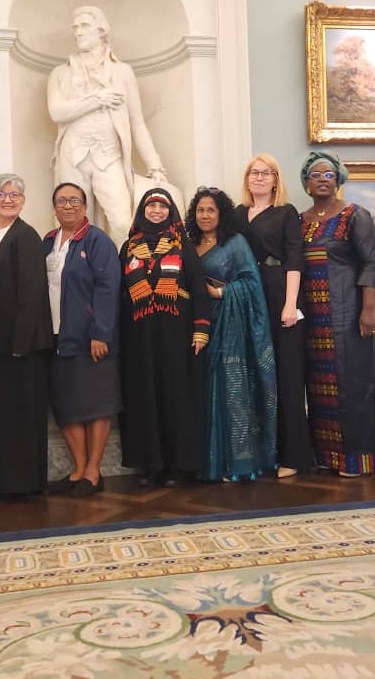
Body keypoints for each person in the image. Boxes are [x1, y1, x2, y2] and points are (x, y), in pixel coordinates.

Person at [48, 6, 166, 248]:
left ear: (101, 30)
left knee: (123, 222)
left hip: (108, 156)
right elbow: (56, 111)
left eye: (84, 26)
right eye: (75, 28)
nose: (77, 33)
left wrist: (155, 165)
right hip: (73, 154)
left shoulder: (122, 73)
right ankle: (73, 278)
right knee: (72, 225)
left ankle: (127, 280)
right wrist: (96, 99)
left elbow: (137, 122)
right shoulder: (61, 73)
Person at [300, 150, 375, 477]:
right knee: (319, 386)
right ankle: (325, 455)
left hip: (348, 314)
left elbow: (372, 261)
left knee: (351, 384)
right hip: (312, 319)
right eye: (315, 175)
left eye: (328, 174)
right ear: (306, 183)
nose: (322, 179)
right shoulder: (300, 221)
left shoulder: (354, 215)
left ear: (339, 180)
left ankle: (356, 459)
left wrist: (367, 309)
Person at [119, 187, 210, 485]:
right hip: (140, 336)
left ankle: (181, 466)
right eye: (151, 206)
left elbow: (198, 290)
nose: (156, 211)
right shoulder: (128, 247)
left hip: (177, 334)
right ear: (142, 211)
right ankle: (151, 464)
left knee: (177, 397)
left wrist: (200, 330)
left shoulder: (183, 246)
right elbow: (120, 294)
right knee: (145, 396)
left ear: (170, 212)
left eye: (162, 206)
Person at [186, 187, 277, 482]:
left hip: (230, 324)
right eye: (200, 210)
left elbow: (251, 283)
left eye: (211, 209)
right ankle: (208, 460)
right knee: (203, 392)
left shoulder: (235, 243)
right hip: (198, 325)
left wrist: (222, 291)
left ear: (221, 214)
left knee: (231, 392)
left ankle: (236, 463)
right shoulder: (190, 244)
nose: (205, 215)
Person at [234, 155, 313, 478]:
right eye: (255, 172)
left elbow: (295, 259)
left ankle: (292, 456)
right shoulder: (236, 215)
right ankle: (255, 456)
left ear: (276, 180)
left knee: (287, 377)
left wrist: (290, 304)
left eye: (267, 173)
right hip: (246, 296)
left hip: (280, 292)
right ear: (247, 178)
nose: (260, 177)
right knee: (252, 376)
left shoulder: (286, 213)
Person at [44, 182, 122, 497]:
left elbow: (108, 288)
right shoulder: (47, 242)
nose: (68, 205)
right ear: (54, 207)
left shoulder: (97, 241)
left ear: (85, 206)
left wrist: (100, 332)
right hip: (55, 337)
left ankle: (93, 471)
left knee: (95, 405)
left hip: (89, 338)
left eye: (74, 200)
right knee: (66, 406)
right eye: (61, 200)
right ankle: (78, 468)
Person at [0, 174, 53, 495]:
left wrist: (19, 345)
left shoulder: (25, 236)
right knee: (6, 416)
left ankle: (22, 485)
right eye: (1, 194)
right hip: (0, 342)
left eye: (15, 195)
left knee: (22, 417)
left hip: (21, 347)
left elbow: (32, 293)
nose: (8, 199)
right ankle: (3, 481)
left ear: (23, 202)